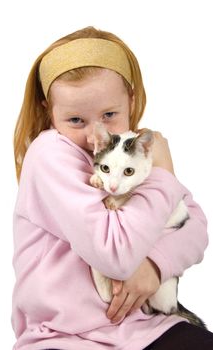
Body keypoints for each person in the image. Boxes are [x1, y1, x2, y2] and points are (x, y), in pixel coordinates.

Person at [12, 26, 212, 350]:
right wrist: (163, 174)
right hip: (66, 337)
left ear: (130, 102)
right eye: (76, 119)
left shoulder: (132, 149)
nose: (96, 136)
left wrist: (154, 265)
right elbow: (115, 255)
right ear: (49, 111)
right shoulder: (50, 154)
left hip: (146, 327)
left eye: (109, 114)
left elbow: (196, 227)